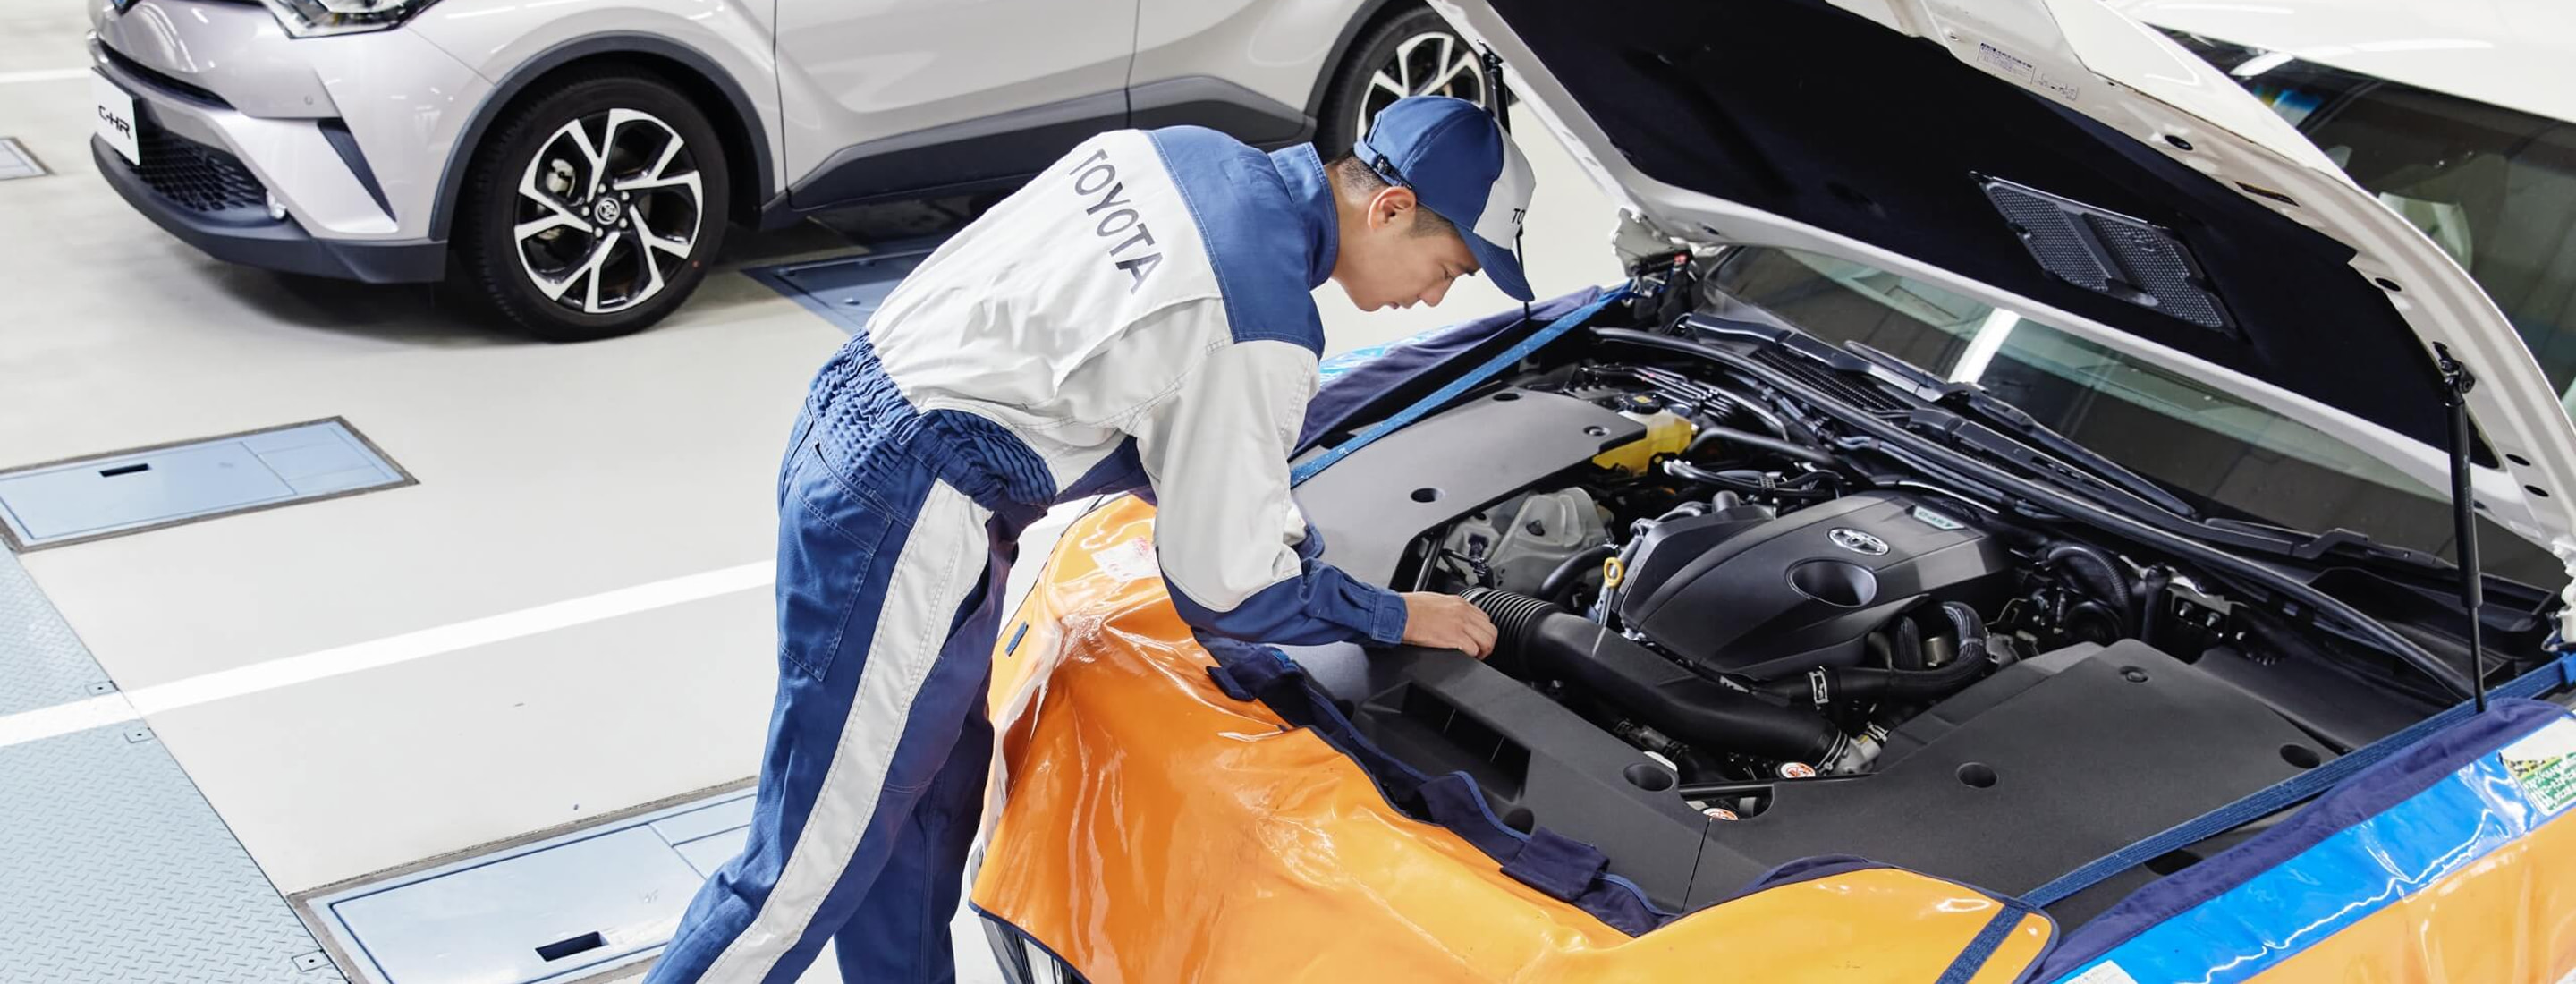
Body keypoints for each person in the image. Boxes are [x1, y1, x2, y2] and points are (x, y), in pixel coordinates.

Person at [647, 95, 1524, 983]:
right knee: (804, 871)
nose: (1435, 295)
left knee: (922, 812)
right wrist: (1392, 613)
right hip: (906, 506)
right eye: (1449, 268)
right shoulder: (1261, 317)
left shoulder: (1183, 153)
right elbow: (1227, 586)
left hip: (857, 416)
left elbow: (1129, 375)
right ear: (1390, 209)